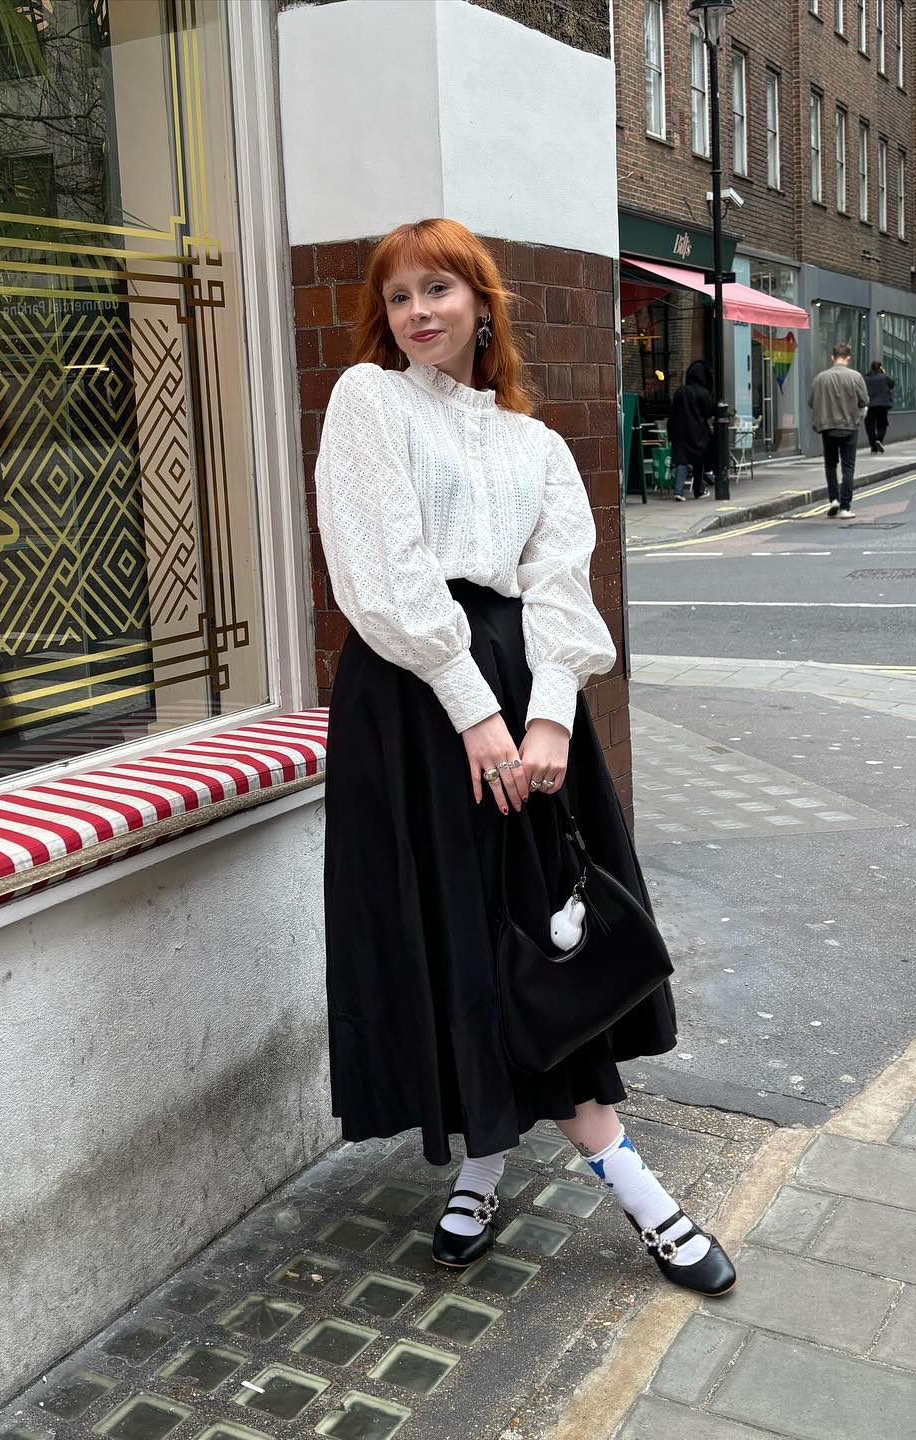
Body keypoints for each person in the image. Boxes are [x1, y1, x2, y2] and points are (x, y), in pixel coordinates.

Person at [313, 217, 735, 1297]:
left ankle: (506, 1165)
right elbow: (387, 574)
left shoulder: (534, 442)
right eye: (400, 294)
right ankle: (603, 1191)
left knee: (538, 936)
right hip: (416, 703)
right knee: (462, 941)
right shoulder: (370, 401)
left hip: (516, 691)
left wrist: (549, 715)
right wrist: (473, 711)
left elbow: (561, 581)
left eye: (439, 289)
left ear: (483, 303)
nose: (418, 311)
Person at [809, 342, 868, 518]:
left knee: (830, 464)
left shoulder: (820, 378)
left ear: (832, 358)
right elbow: (864, 401)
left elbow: (811, 402)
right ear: (848, 358)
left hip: (828, 427)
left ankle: (833, 499)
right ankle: (845, 507)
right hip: (849, 426)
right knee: (848, 467)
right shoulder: (856, 377)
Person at [667, 360, 715, 501]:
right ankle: (698, 490)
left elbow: (673, 412)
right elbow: (708, 412)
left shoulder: (680, 391)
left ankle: (679, 491)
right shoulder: (703, 393)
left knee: (681, 461)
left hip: (680, 431)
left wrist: (670, 431)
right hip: (698, 431)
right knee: (698, 461)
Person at [862, 360, 894, 451]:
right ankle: (879, 439)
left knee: (870, 426)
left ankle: (873, 446)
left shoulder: (865, 378)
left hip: (869, 405)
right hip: (882, 405)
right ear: (880, 367)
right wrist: (884, 373)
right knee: (882, 424)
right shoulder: (884, 377)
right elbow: (892, 384)